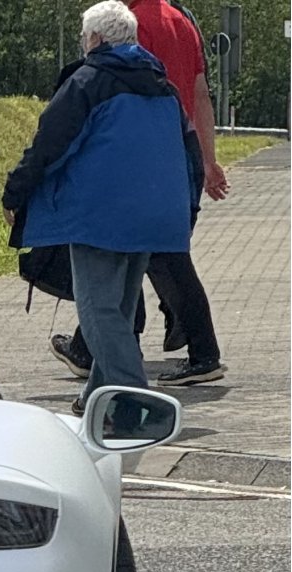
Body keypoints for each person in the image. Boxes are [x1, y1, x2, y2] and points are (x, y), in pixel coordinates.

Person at [2, 1, 203, 416]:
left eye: (83, 37)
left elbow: (50, 145)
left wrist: (15, 193)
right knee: (122, 307)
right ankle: (99, 398)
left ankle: (132, 402)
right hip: (157, 217)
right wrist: (188, 208)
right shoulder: (163, 86)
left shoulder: (88, 81)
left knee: (99, 311)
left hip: (100, 216)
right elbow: (190, 154)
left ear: (95, 39)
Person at [49, 0, 228, 386]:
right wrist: (208, 160)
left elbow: (118, 87)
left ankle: (190, 354)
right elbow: (199, 93)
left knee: (139, 258)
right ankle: (98, 354)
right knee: (158, 256)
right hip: (180, 146)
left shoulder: (131, 24)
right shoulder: (182, 20)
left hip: (141, 152)